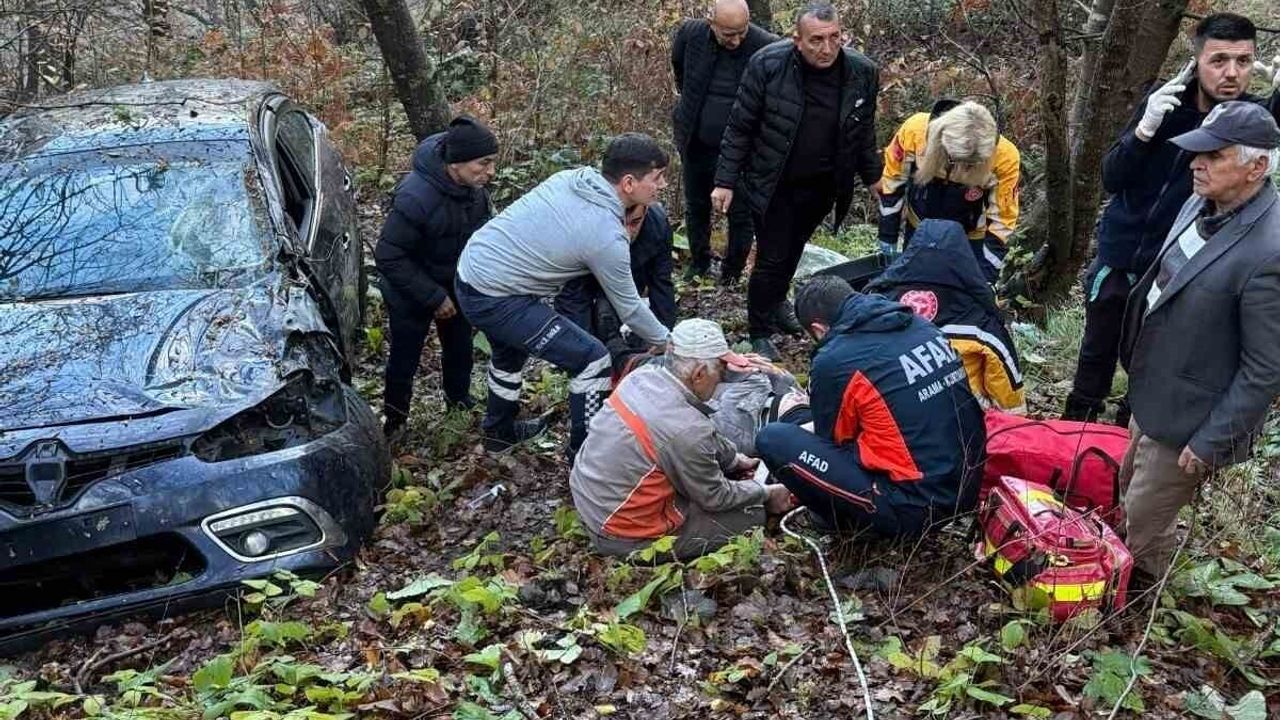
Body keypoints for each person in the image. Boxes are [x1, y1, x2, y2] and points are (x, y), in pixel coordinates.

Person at [1065, 12, 1280, 423]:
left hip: (1176, 269)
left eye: (1243, 61)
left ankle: (1128, 447)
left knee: (1151, 365)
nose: (1231, 73)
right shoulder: (1165, 100)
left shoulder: (1250, 119)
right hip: (1119, 255)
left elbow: (1264, 149)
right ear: (1197, 61)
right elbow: (1112, 177)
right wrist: (1144, 131)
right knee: (1094, 358)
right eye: (1219, 60)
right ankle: (1072, 439)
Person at [1117, 101, 1280, 584]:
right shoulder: (1199, 203)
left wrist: (1212, 440)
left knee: (1142, 522)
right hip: (1152, 389)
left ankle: (1138, 600)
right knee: (1127, 488)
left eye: (1214, 155)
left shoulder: (1270, 252)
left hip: (1192, 416)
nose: (1196, 163)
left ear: (1256, 167)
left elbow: (1265, 367)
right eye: (1197, 152)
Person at [455, 133, 672, 457]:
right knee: (592, 360)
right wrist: (672, 343)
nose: (663, 185)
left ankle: (499, 434)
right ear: (628, 183)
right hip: (493, 295)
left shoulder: (574, 178)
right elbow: (630, 308)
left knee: (509, 353)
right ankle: (586, 456)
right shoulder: (605, 235)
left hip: (472, 268)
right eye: (658, 177)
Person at [713, 1, 882, 360]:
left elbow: (863, 133)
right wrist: (725, 181)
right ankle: (759, 328)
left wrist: (874, 178)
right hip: (773, 182)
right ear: (797, 40)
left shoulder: (861, 72)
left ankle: (776, 304)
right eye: (816, 40)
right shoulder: (767, 65)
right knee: (772, 256)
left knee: (792, 250)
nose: (827, 48)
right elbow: (740, 126)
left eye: (834, 37)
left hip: (824, 185)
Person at [755, 275, 986, 538]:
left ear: (818, 329)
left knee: (772, 439)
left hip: (915, 507)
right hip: (969, 484)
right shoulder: (921, 325)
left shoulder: (836, 360)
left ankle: (839, 521)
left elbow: (833, 441)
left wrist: (796, 416)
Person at [570, 319, 794, 559]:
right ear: (699, 374)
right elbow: (715, 496)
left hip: (590, 504)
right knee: (751, 514)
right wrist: (764, 493)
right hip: (622, 535)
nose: (721, 379)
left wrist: (733, 460)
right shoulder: (687, 429)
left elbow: (699, 432)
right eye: (720, 371)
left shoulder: (641, 377)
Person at [375, 116, 497, 441]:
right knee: (405, 356)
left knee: (459, 348)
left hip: (453, 282)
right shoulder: (415, 197)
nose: (491, 172)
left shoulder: (474, 191)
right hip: (409, 289)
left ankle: (458, 403)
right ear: (456, 163)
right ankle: (395, 421)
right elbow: (389, 256)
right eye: (483, 163)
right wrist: (433, 297)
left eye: (492, 163)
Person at [866, 218, 1025, 413]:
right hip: (957, 413)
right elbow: (1005, 381)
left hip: (889, 409)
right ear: (963, 257)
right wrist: (1015, 417)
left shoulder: (878, 301)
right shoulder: (978, 312)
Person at [671, 0, 776, 283]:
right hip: (696, 142)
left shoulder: (766, 46)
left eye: (742, 31)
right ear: (711, 23)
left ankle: (732, 272)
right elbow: (679, 71)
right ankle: (699, 264)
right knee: (696, 206)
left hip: (743, 152)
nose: (736, 40)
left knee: (741, 213)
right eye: (728, 34)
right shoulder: (691, 35)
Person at [876, 100, 1020, 283]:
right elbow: (892, 184)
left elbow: (1003, 221)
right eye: (956, 161)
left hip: (970, 237)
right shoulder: (915, 132)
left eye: (970, 165)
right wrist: (887, 236)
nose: (962, 169)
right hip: (919, 228)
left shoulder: (1005, 157)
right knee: (911, 286)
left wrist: (986, 277)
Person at [555, 202, 677, 362]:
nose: (626, 233)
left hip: (630, 280)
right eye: (618, 223)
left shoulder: (657, 225)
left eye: (635, 222)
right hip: (587, 281)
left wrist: (661, 340)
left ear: (646, 210)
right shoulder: (579, 228)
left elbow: (662, 284)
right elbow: (571, 297)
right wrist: (588, 355)